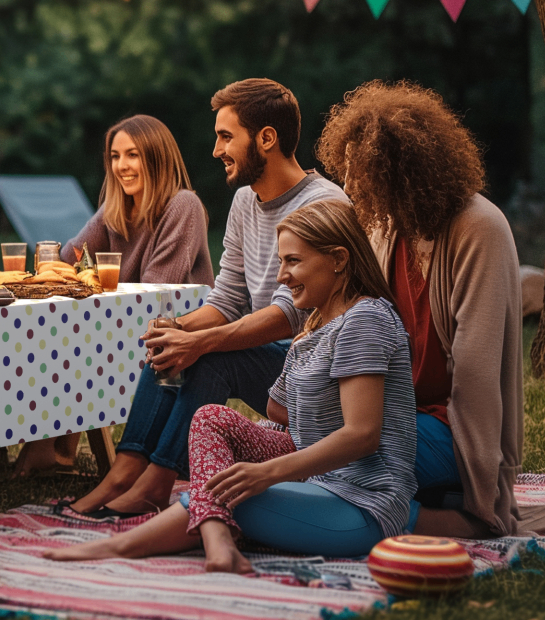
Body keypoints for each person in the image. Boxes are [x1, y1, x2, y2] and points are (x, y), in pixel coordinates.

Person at [48, 200, 417, 568]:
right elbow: (279, 412)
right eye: (281, 262)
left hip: (361, 503)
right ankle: (207, 539)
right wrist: (236, 441)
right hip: (318, 479)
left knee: (224, 491)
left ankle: (147, 546)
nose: (281, 277)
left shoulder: (365, 319)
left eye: (293, 261)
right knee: (210, 418)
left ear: (338, 258)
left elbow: (361, 435)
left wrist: (265, 472)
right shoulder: (316, 325)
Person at [70, 78, 346, 516]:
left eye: (225, 136)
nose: (216, 150)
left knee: (210, 356)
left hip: (318, 376)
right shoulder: (243, 202)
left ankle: (156, 482)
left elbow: (291, 315)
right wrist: (179, 329)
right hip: (274, 364)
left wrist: (200, 341)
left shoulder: (322, 203)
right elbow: (228, 301)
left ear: (266, 139)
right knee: (170, 340)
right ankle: (126, 468)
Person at [316, 81, 535, 538]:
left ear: (399, 171)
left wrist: (486, 489)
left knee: (330, 463)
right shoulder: (386, 227)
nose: (349, 185)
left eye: (362, 172)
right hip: (387, 413)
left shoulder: (479, 229)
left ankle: (448, 521)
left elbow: (474, 375)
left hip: (450, 427)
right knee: (304, 450)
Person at [12, 114, 214, 478]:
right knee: (46, 332)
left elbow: (157, 288)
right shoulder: (116, 208)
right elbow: (66, 259)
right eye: (115, 156)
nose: (122, 165)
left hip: (170, 336)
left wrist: (89, 279)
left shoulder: (183, 205)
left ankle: (55, 446)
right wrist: (75, 267)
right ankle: (52, 444)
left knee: (66, 336)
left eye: (133, 155)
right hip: (121, 324)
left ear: (156, 158)